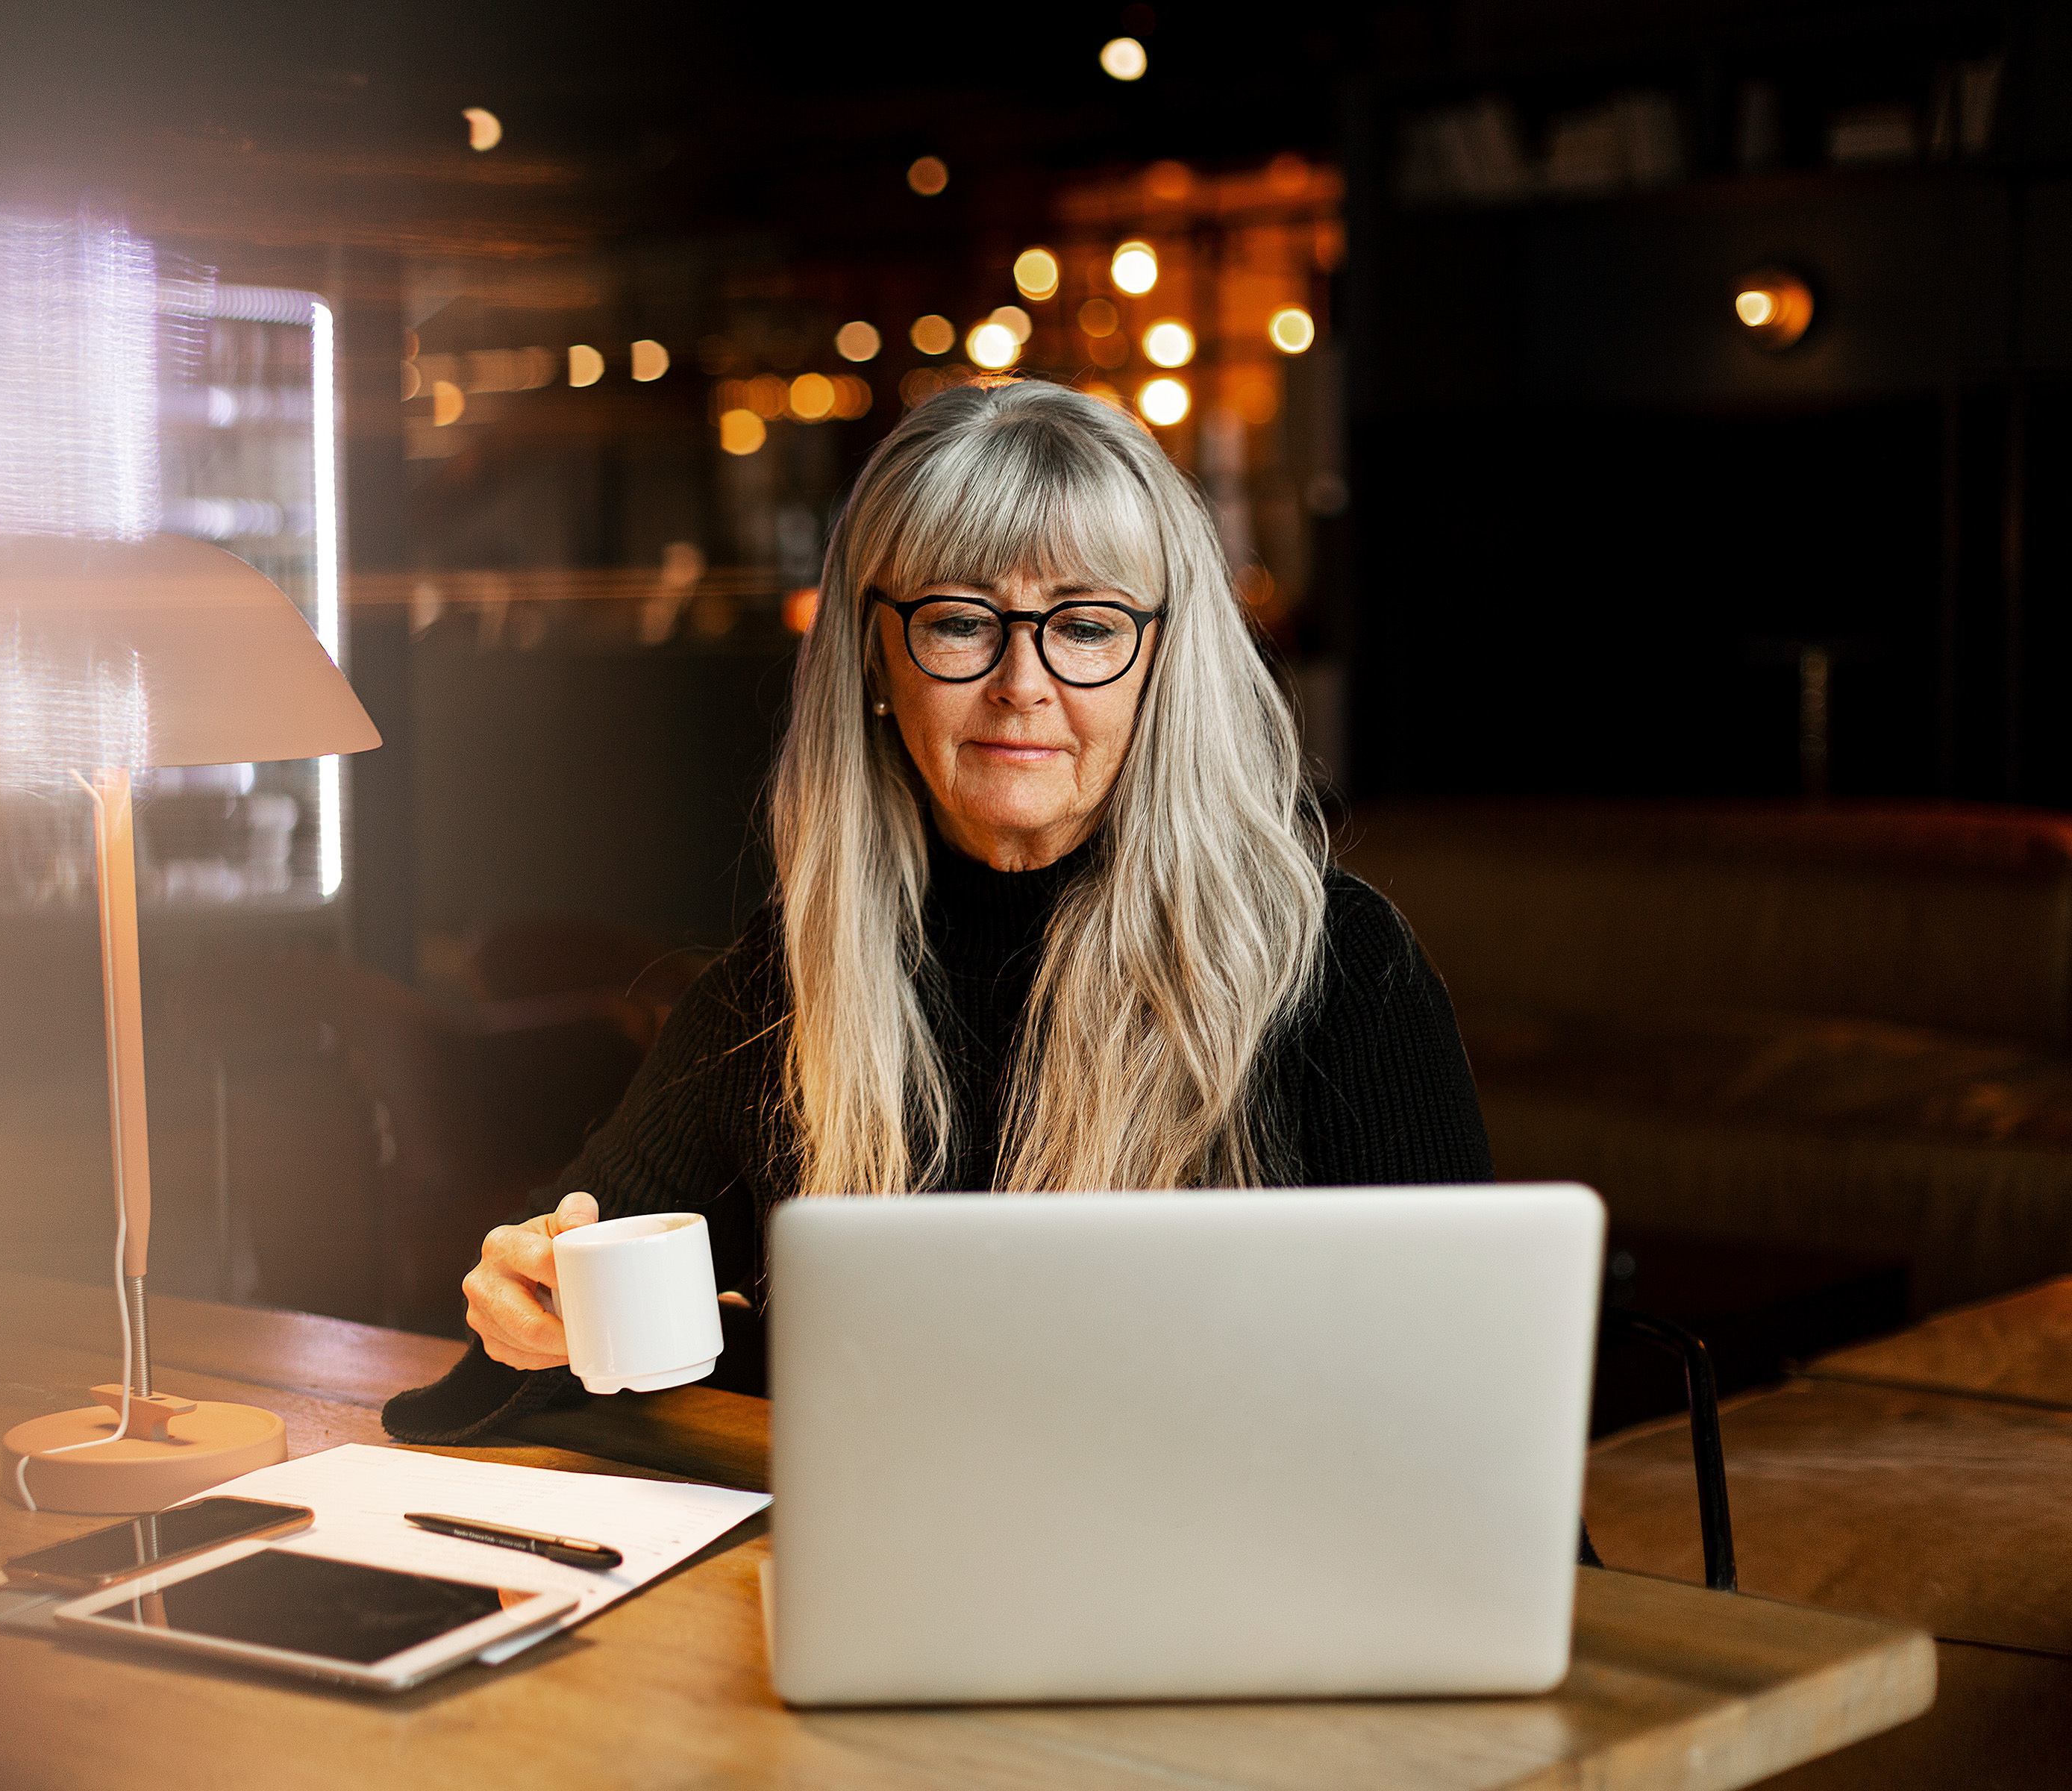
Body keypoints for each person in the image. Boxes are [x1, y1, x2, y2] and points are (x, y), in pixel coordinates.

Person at [384, 378, 1495, 1445]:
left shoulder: (1334, 966)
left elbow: (1465, 1430)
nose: (1023, 682)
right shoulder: (791, 983)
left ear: (1163, 663)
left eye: (1090, 626)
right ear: (878, 653)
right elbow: (554, 1324)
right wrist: (521, 1306)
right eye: (963, 623)